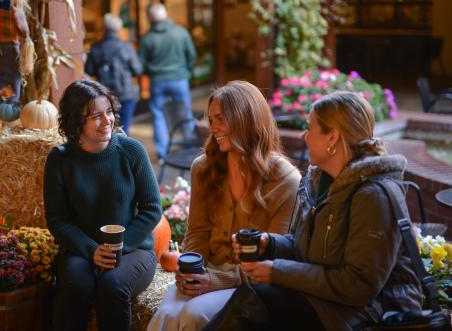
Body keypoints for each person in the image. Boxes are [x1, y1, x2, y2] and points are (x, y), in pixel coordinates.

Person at [204, 91, 423, 331]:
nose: (304, 136)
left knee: (254, 302)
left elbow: (358, 286)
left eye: (310, 128)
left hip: (369, 314)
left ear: (332, 138)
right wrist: (271, 244)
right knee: (254, 300)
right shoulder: (323, 184)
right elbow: (308, 249)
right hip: (328, 302)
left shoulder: (373, 195)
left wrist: (276, 271)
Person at [148, 81, 302, 331]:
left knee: (193, 315)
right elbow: (197, 231)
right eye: (211, 120)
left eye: (221, 118)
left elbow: (274, 255)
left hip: (250, 283)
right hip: (205, 273)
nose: (213, 127)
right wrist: (191, 270)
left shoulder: (286, 179)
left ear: (245, 119)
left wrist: (214, 280)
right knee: (165, 314)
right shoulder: (203, 168)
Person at [44, 80, 162, 331]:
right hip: (81, 249)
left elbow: (152, 208)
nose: (107, 121)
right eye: (96, 116)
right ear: (76, 122)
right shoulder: (59, 160)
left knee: (112, 285)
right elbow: (57, 220)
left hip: (134, 250)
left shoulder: (132, 151)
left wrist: (117, 248)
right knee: (76, 286)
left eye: (109, 112)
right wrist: (92, 250)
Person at [139, 2, 197, 160]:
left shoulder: (147, 38)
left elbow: (141, 64)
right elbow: (191, 55)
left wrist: (150, 71)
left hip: (157, 81)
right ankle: (190, 147)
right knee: (184, 112)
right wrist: (186, 70)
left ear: (151, 18)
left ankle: (163, 153)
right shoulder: (180, 32)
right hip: (179, 79)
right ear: (165, 15)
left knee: (158, 115)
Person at [85, 13, 143, 135]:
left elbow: (89, 70)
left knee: (106, 128)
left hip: (104, 95)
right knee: (124, 128)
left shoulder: (96, 48)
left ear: (104, 29)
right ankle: (124, 151)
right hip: (126, 94)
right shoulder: (126, 47)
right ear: (118, 29)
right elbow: (137, 70)